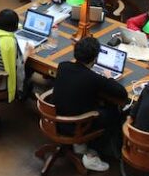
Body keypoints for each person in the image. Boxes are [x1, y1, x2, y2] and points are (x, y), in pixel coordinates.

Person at [51, 36, 128, 167]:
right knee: (115, 113)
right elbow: (122, 93)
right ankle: (95, 150)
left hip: (56, 118)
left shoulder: (63, 66)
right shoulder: (93, 78)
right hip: (75, 125)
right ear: (95, 58)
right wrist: (109, 78)